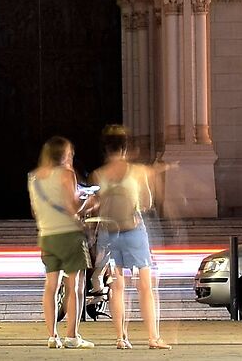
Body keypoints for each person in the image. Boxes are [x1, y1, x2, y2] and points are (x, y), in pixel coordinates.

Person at [89, 127, 166, 350]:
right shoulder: (137, 171)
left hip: (109, 234)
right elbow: (147, 203)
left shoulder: (98, 174)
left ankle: (121, 338)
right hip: (134, 231)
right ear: (125, 148)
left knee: (117, 286)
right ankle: (153, 337)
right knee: (145, 285)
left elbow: (97, 205)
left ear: (106, 149)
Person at [29, 137, 92, 349]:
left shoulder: (35, 177)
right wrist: (87, 201)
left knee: (51, 286)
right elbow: (72, 207)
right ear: (64, 155)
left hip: (46, 235)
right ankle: (72, 336)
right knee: (74, 287)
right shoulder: (67, 174)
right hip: (69, 235)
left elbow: (35, 209)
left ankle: (52, 336)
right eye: (70, 154)